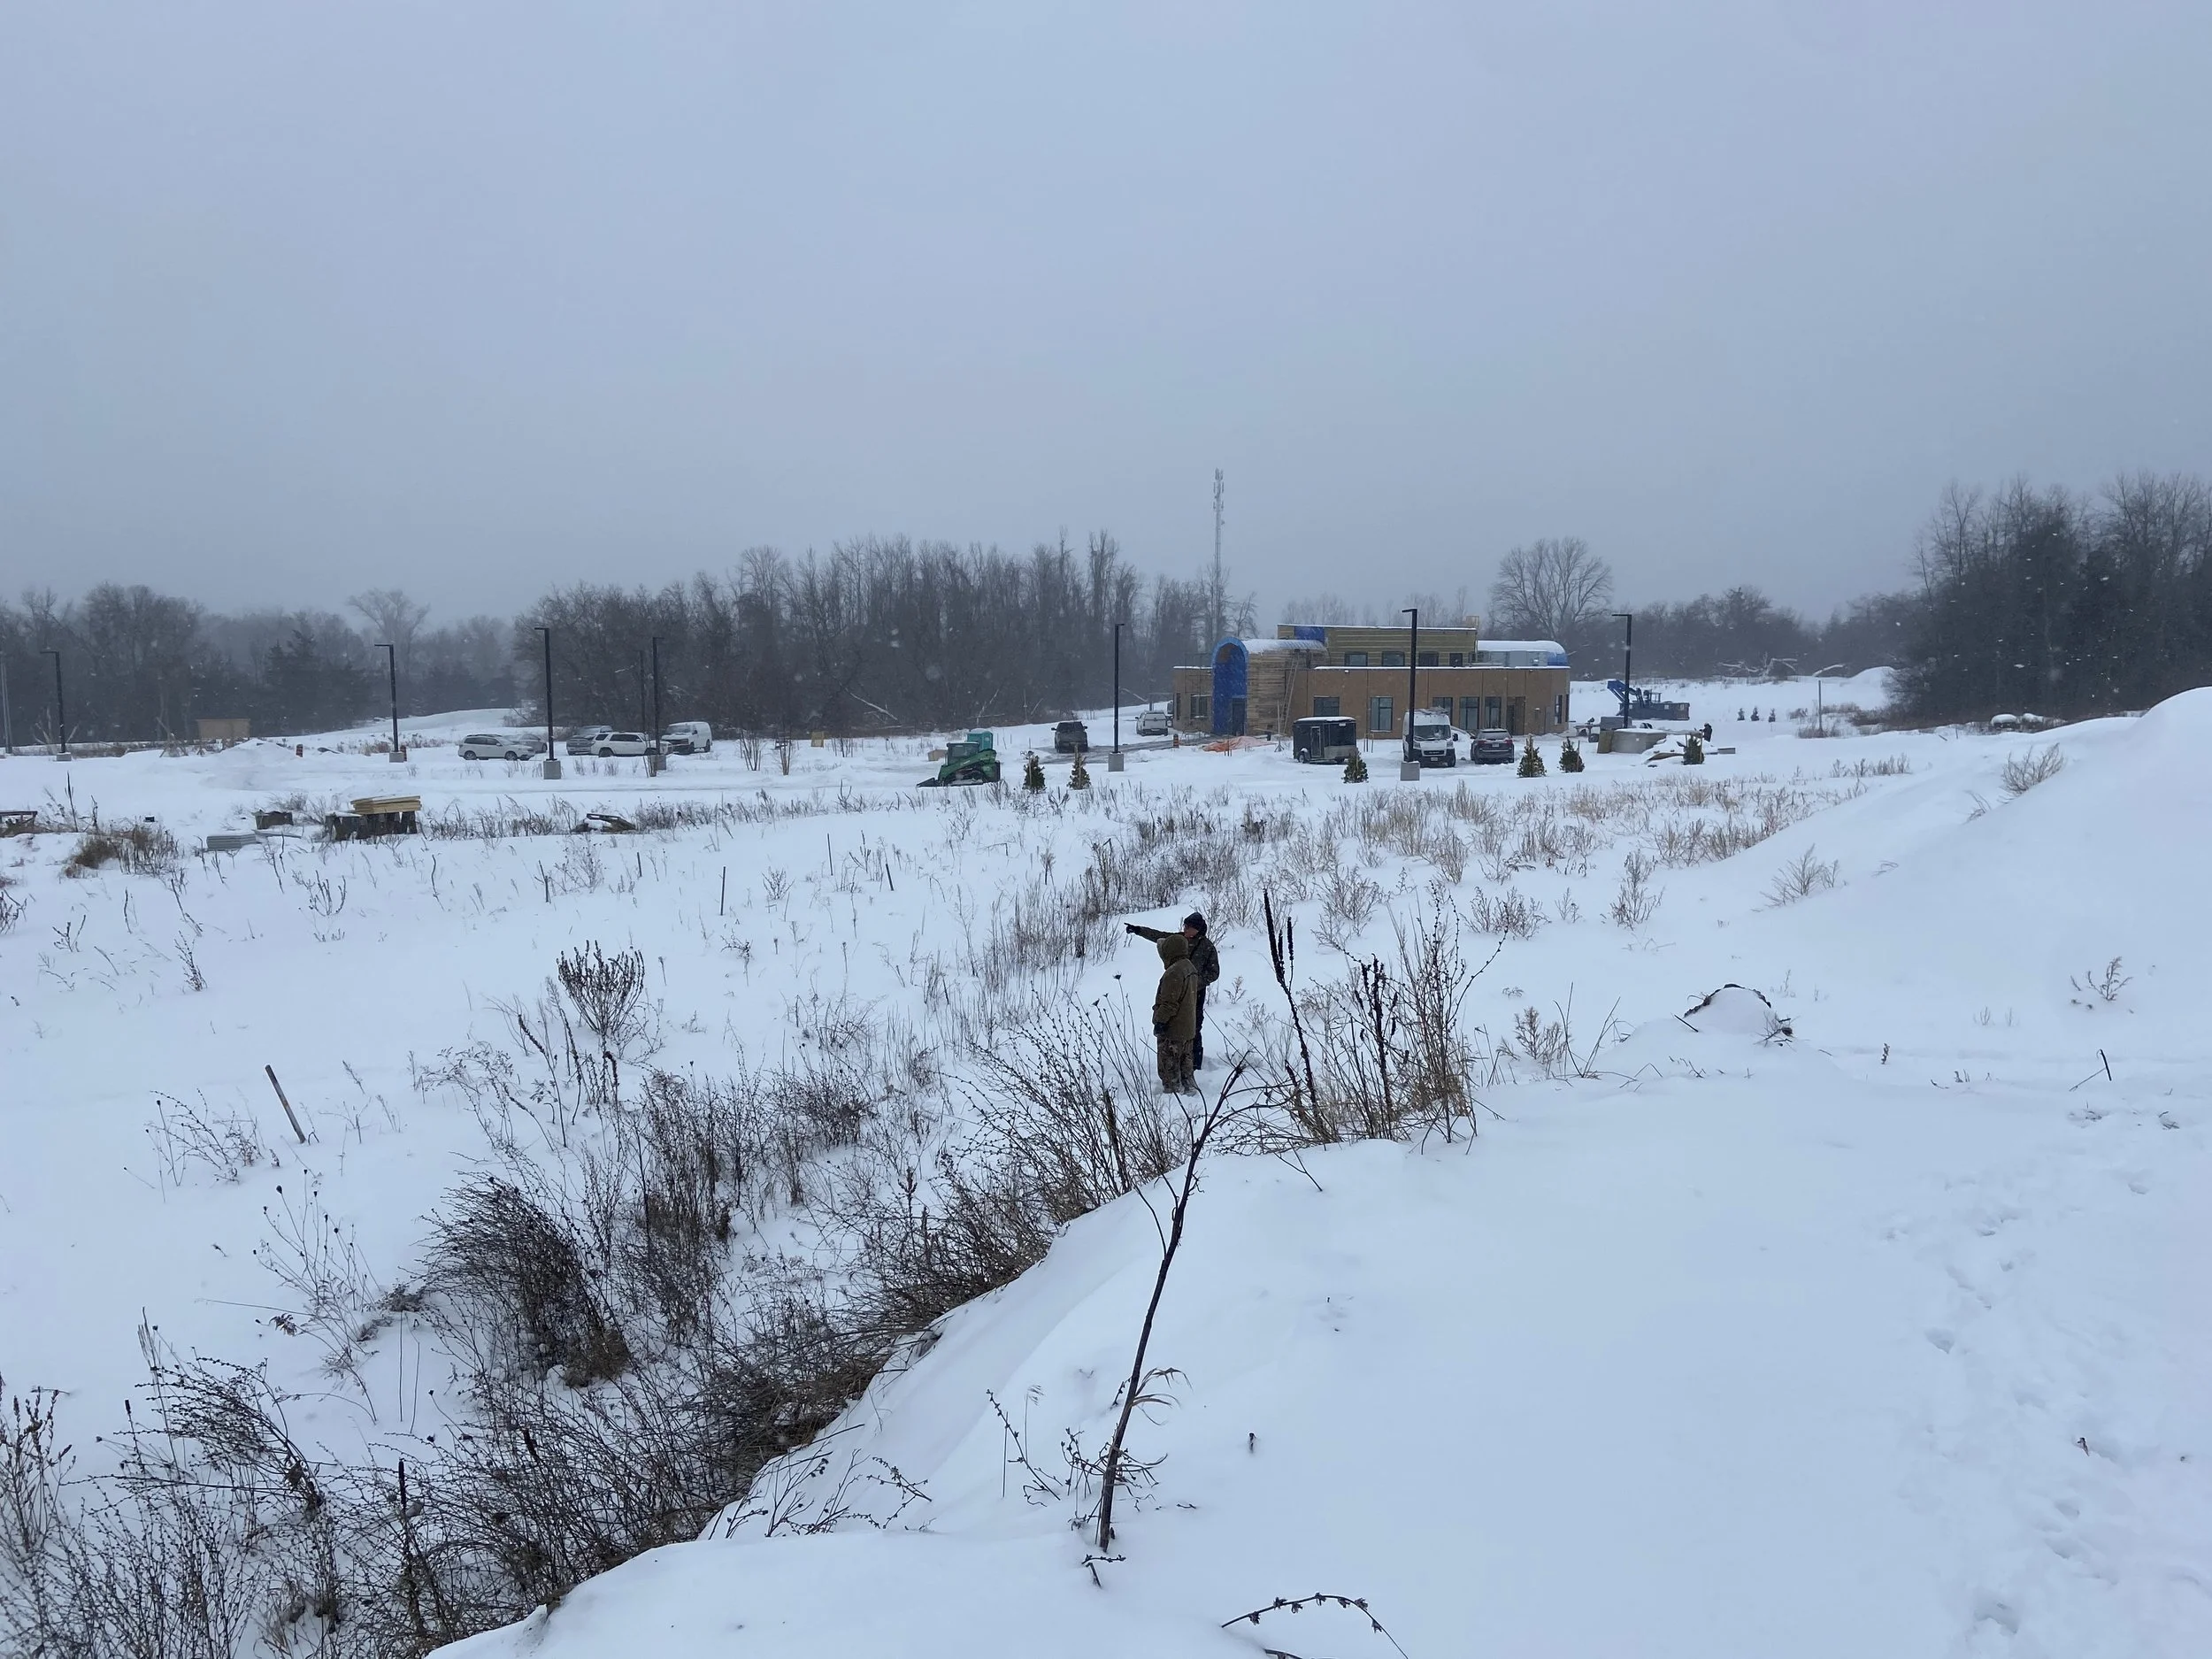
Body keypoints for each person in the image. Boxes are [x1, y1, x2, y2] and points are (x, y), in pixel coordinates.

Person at [1125, 910, 1220, 1068]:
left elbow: (1214, 973)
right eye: (1185, 926)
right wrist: (1139, 930)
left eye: (1188, 927)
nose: (1185, 929)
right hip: (1176, 988)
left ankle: (1195, 1063)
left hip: (1195, 992)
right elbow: (1159, 936)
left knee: (1195, 1025)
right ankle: (1174, 1056)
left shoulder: (1207, 947)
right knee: (1174, 1022)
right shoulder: (1179, 939)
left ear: (1197, 929)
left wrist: (1194, 982)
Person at [1150, 933, 1199, 1093]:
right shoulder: (1189, 967)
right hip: (1187, 1029)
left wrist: (1160, 1021)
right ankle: (1191, 1095)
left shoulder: (1174, 973)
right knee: (1186, 1069)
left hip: (1173, 1030)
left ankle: (1173, 1098)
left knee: (1169, 1071)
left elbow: (1170, 1004)